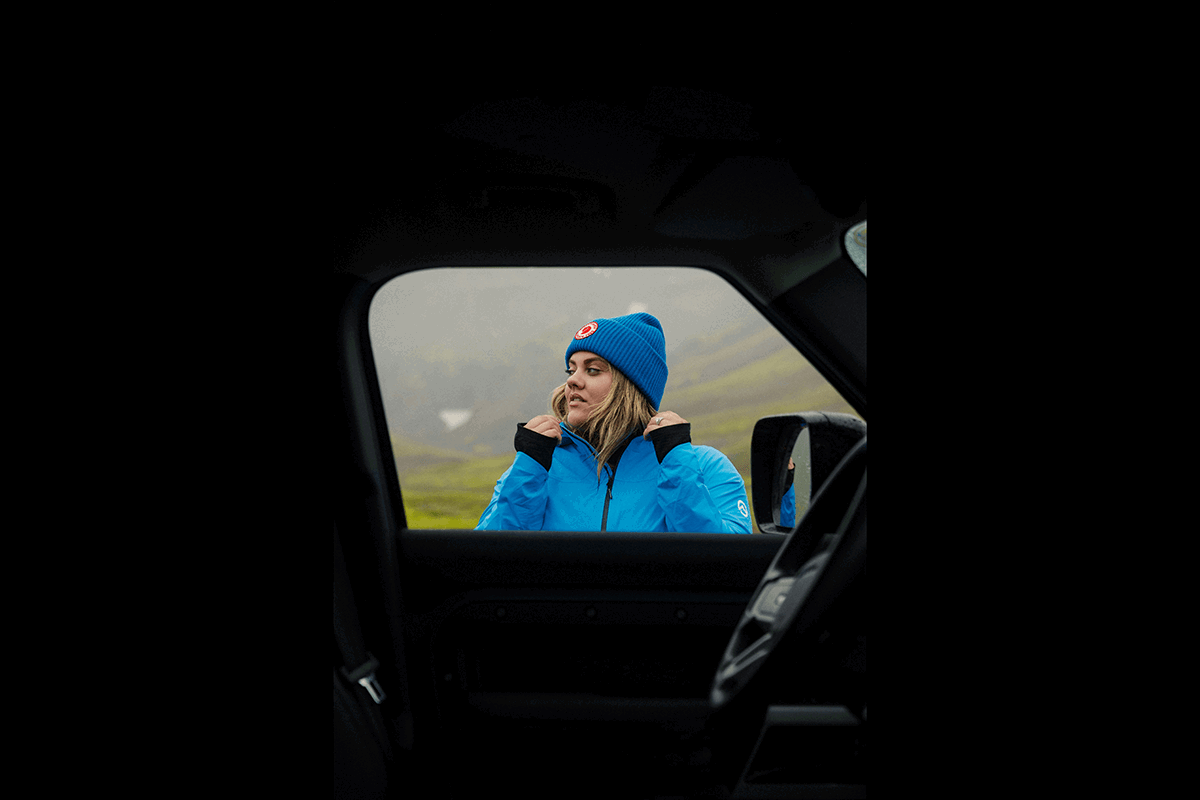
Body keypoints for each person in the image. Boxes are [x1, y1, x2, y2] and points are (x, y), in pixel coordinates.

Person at [476, 312, 752, 533]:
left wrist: (677, 462)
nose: (572, 380)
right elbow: (487, 563)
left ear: (631, 387)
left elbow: (726, 566)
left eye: (592, 370)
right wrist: (528, 468)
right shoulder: (537, 463)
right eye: (571, 369)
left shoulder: (702, 466)